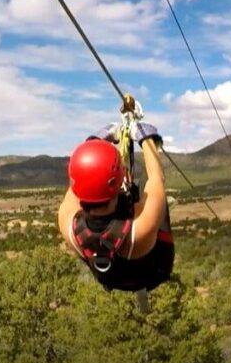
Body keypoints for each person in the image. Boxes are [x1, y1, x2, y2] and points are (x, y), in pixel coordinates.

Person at [57, 118, 174, 292]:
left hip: (112, 279)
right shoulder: (140, 228)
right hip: (153, 273)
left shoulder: (66, 223)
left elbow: (79, 180)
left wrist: (93, 145)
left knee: (140, 201)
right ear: (116, 182)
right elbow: (157, 177)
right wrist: (146, 138)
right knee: (154, 197)